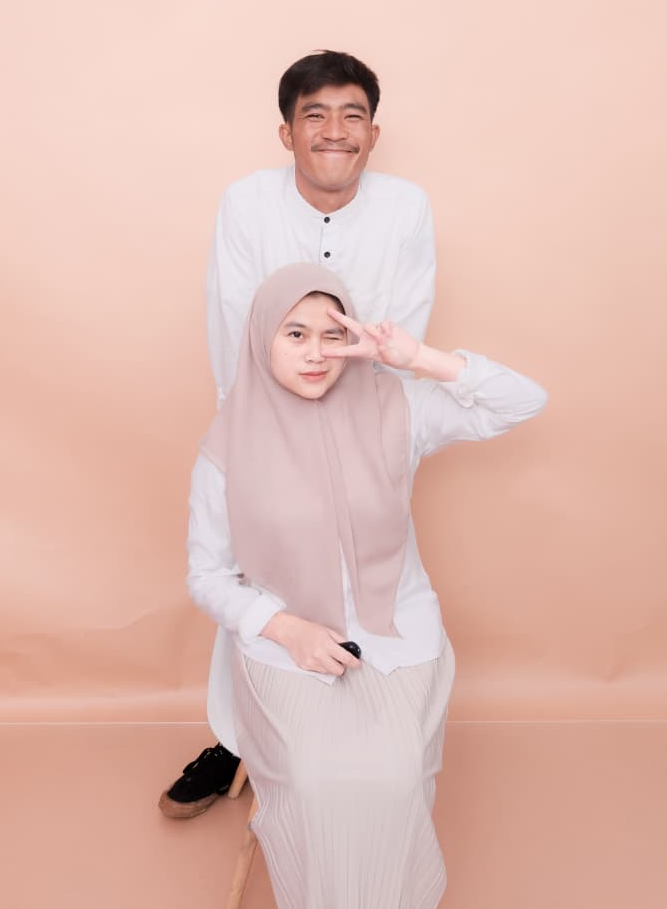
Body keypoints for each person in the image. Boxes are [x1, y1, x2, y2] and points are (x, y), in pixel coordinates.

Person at [186, 263, 547, 908]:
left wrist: (416, 357)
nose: (316, 353)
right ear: (262, 337)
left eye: (332, 335)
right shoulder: (226, 445)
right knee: (315, 783)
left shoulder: (398, 406)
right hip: (286, 649)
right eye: (295, 334)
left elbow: (523, 401)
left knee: (396, 779)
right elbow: (207, 576)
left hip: (398, 636)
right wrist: (285, 628)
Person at [159, 49, 437, 817]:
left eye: (352, 116)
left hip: (365, 420)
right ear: (287, 132)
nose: (334, 131)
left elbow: (405, 325)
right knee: (254, 576)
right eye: (315, 115)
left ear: (373, 133)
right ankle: (238, 739)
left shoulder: (407, 206)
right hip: (263, 415)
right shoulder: (247, 201)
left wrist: (368, 427)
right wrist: (253, 431)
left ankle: (361, 730)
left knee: (365, 575)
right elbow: (232, 318)